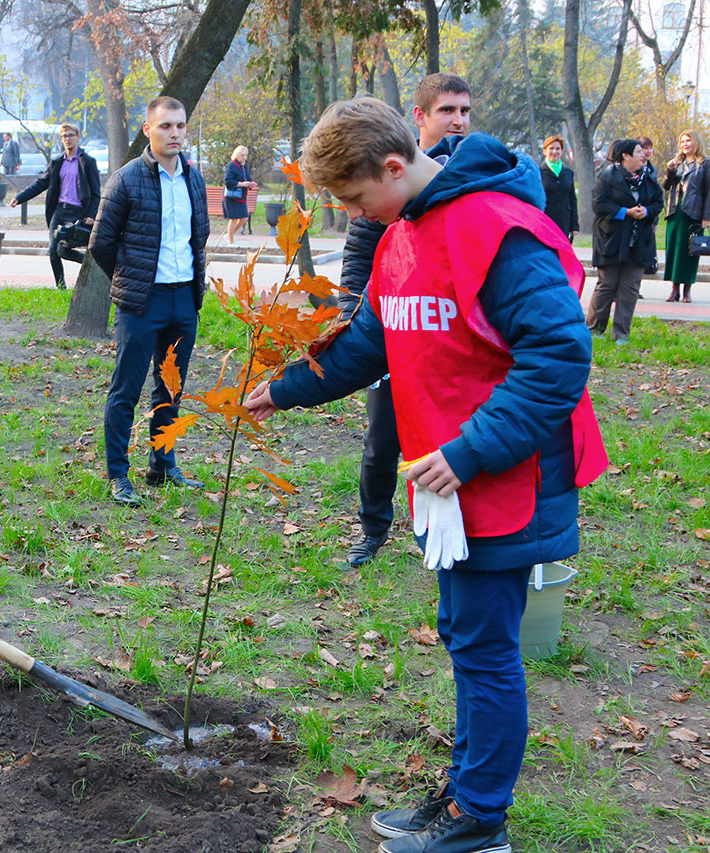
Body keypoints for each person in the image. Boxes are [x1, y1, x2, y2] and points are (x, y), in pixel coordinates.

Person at [246, 96, 605, 853]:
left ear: (395, 165)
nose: (350, 215)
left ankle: (480, 820)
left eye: (352, 198)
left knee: (484, 645)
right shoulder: (399, 236)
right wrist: (283, 388)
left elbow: (560, 354)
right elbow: (367, 345)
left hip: (503, 478)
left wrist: (473, 450)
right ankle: (467, 791)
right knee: (466, 634)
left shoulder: (497, 229)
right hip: (450, 486)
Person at [338, 71, 472, 569]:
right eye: (446, 111)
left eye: (464, 111)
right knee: (382, 444)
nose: (457, 121)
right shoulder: (382, 186)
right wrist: (353, 319)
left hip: (443, 344)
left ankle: (455, 532)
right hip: (390, 337)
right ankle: (373, 528)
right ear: (420, 117)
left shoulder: (471, 186)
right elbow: (359, 259)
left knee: (446, 444)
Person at [89, 95, 210, 506]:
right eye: (165, 126)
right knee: (126, 388)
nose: (174, 133)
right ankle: (118, 475)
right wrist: (131, 280)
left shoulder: (193, 178)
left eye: (179, 126)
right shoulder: (125, 180)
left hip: (183, 300)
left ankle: (162, 465)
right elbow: (101, 243)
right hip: (142, 304)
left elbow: (201, 235)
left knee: (170, 389)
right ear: (148, 130)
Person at [587, 138, 662, 344]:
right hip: (612, 240)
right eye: (638, 152)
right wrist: (626, 212)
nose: (643, 155)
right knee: (607, 285)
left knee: (630, 288)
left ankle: (621, 334)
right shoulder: (607, 177)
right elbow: (599, 204)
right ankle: (594, 329)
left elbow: (658, 202)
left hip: (639, 242)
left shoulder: (648, 178)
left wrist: (646, 211)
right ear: (626, 156)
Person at [11, 123, 101, 289]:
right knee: (53, 250)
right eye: (64, 136)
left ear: (78, 137)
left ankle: (88, 263)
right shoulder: (57, 162)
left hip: (78, 213)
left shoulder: (87, 162)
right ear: (61, 139)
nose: (68, 139)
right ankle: (61, 287)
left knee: (63, 251)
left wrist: (92, 215)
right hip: (59, 212)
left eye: (71, 135)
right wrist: (20, 197)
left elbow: (96, 193)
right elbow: (41, 183)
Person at [661, 129, 706, 303]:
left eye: (688, 140)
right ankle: (674, 289)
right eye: (682, 141)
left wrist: (706, 217)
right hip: (675, 211)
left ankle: (687, 289)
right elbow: (666, 186)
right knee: (673, 250)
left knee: (690, 252)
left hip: (693, 213)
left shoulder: (704, 164)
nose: (685, 144)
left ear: (696, 142)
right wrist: (669, 171)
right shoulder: (677, 163)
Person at [540, 134, 578, 242]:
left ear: (561, 151)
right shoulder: (538, 172)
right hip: (545, 221)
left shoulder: (568, 173)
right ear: (545, 151)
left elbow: (572, 199)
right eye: (551, 148)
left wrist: (574, 225)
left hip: (564, 222)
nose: (554, 151)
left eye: (558, 148)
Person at [223, 145, 258, 244]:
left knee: (244, 218)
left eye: (245, 155)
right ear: (237, 155)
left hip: (241, 197)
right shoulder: (231, 166)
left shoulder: (244, 166)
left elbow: (246, 178)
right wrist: (242, 184)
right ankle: (231, 242)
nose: (244, 157)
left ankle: (229, 234)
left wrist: (250, 184)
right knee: (233, 219)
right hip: (232, 196)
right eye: (242, 155)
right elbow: (228, 182)